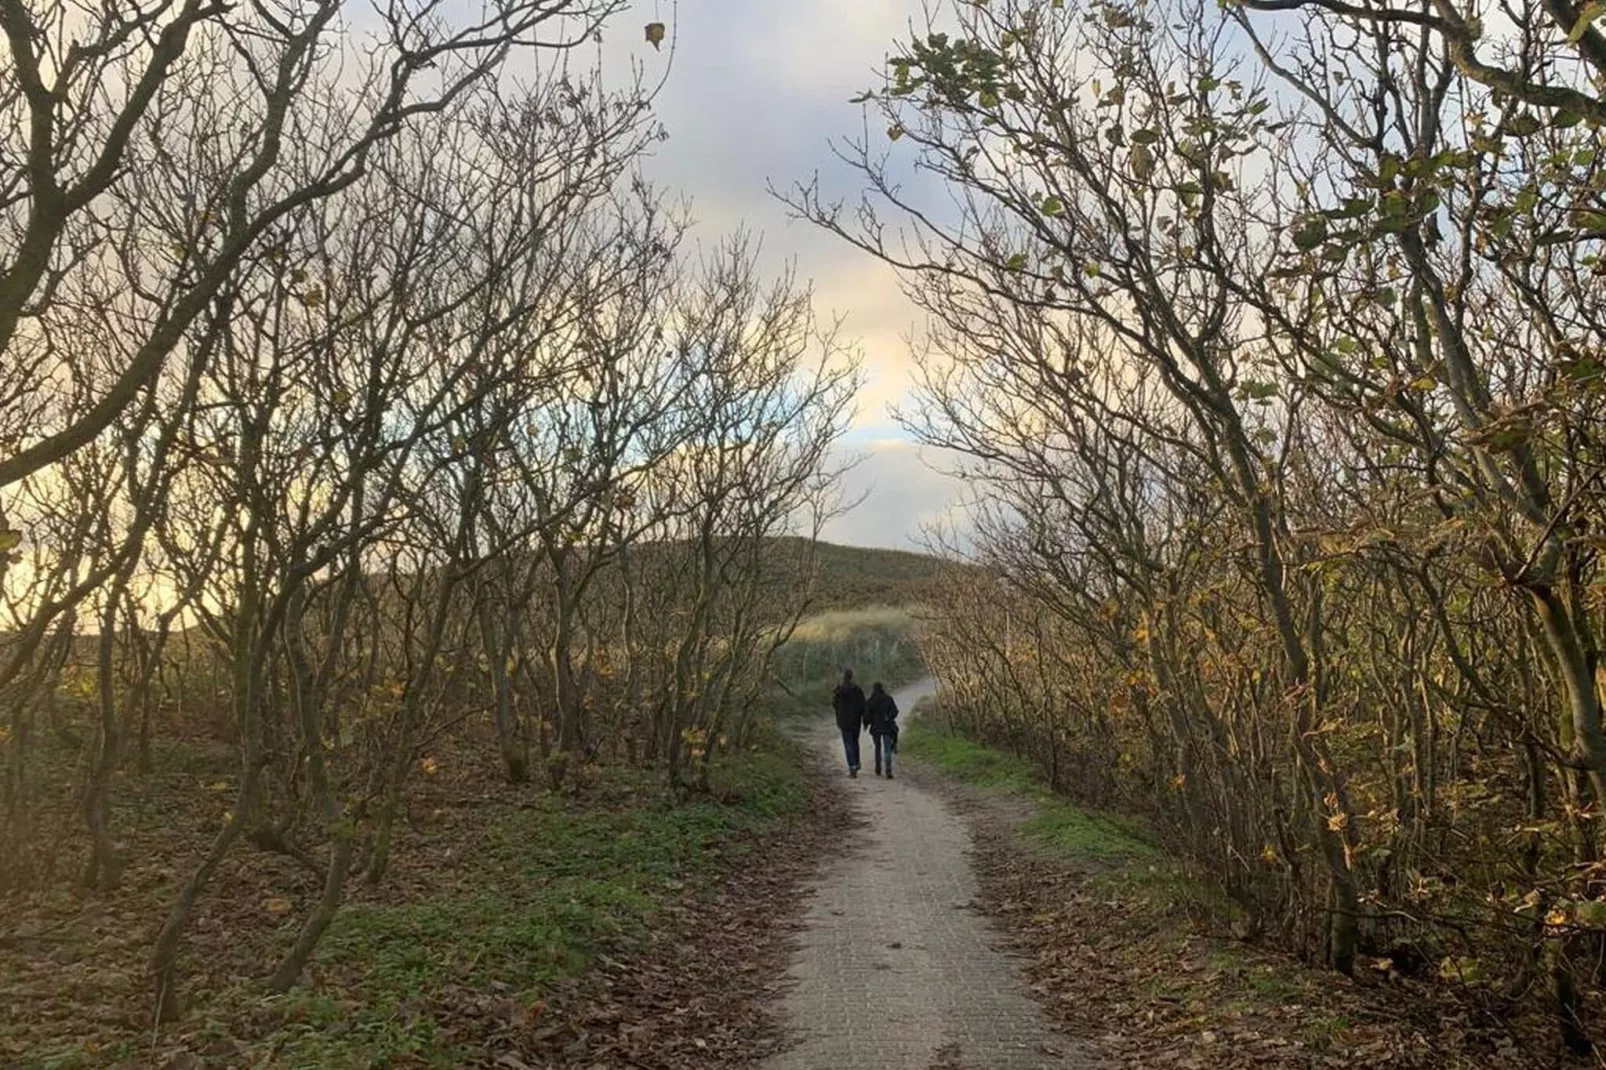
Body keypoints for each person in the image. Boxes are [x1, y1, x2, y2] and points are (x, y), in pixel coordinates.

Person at [831, 668, 867, 778]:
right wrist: (863, 717)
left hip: (844, 721)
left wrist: (839, 713)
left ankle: (852, 766)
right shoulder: (857, 689)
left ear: (843, 677)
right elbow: (863, 704)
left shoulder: (839, 690)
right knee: (855, 741)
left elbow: (834, 704)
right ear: (852, 677)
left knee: (848, 743)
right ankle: (856, 762)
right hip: (855, 720)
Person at [866, 681, 899, 778]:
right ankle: (888, 770)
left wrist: (866, 723)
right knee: (887, 749)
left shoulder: (871, 700)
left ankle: (878, 768)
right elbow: (895, 711)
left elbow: (867, 714)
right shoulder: (888, 699)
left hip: (875, 727)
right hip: (887, 727)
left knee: (877, 748)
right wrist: (889, 717)